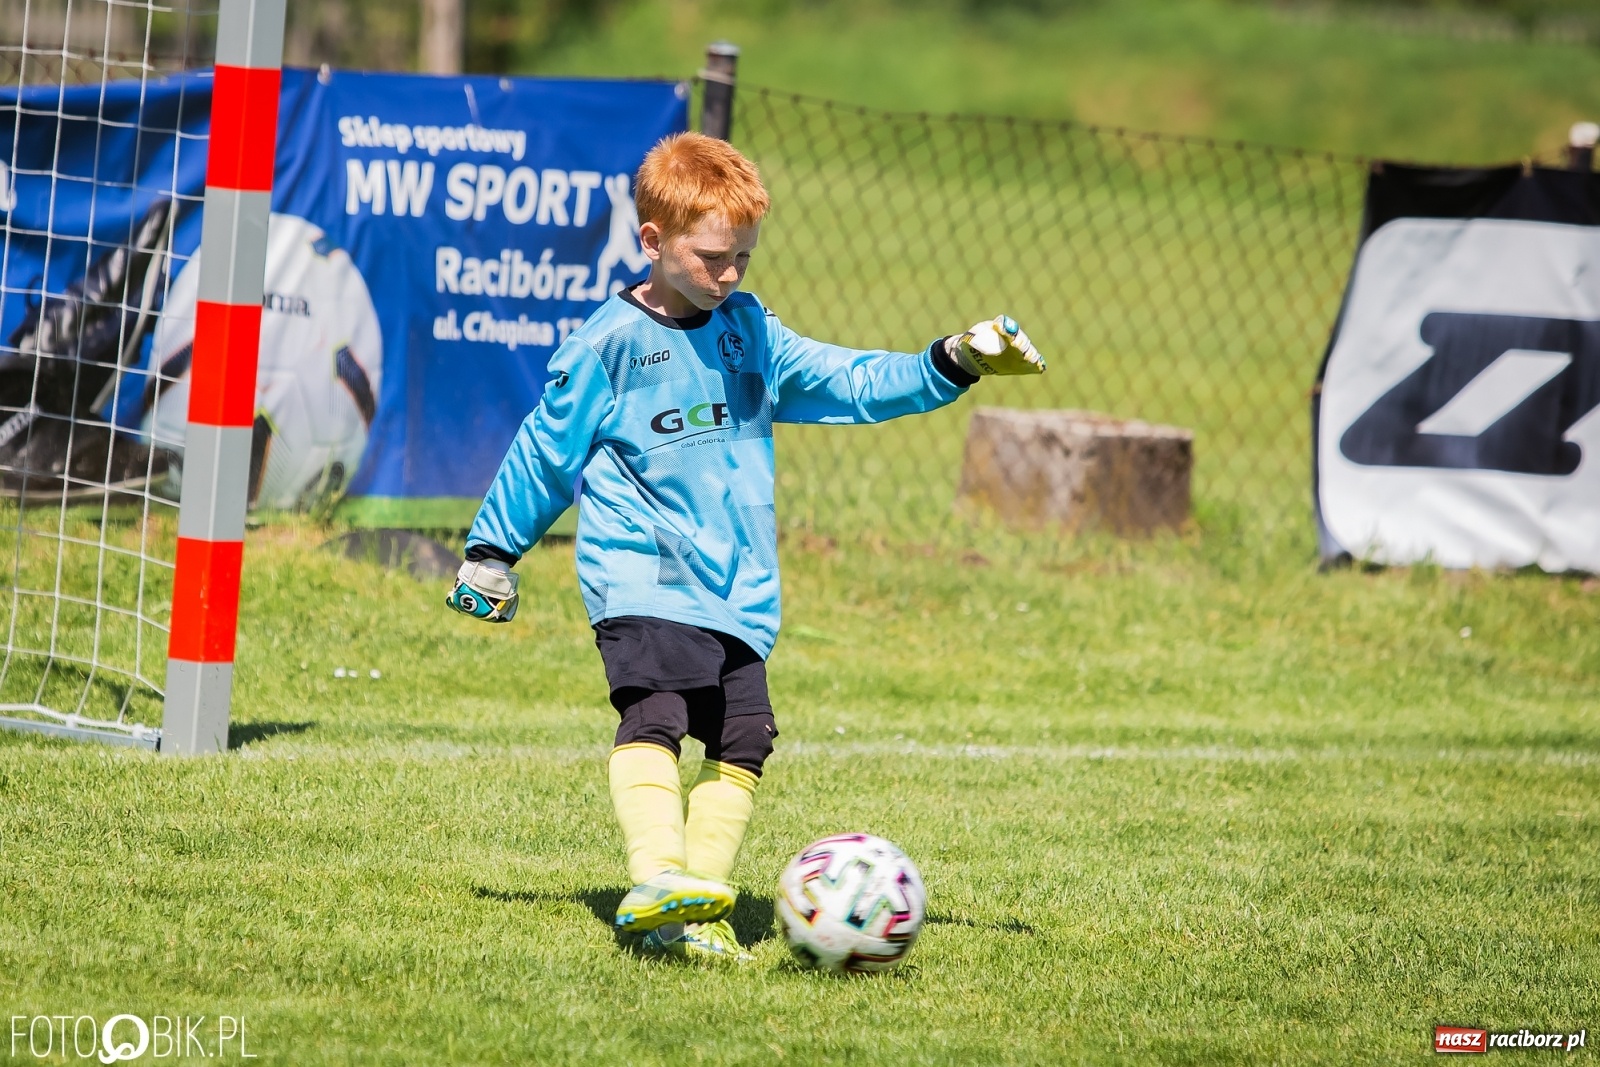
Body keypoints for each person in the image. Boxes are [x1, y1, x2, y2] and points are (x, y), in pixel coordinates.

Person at [447, 131, 1044, 963]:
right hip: (644, 575)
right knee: (654, 713)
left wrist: (949, 360)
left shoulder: (748, 329)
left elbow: (845, 380)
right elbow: (545, 452)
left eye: (744, 259)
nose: (729, 275)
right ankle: (658, 875)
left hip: (739, 590)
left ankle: (695, 913)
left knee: (745, 737)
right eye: (713, 257)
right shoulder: (605, 347)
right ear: (652, 241)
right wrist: (493, 549)